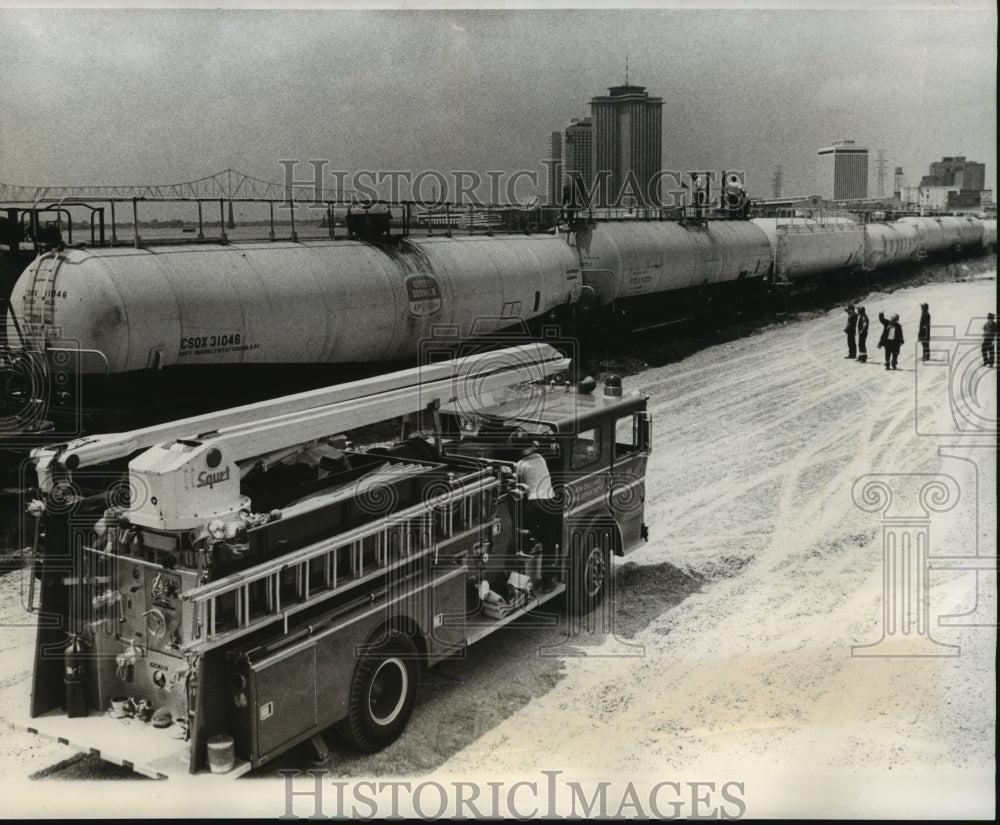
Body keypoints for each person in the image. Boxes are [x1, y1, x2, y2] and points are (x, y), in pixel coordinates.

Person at [513, 437, 559, 589]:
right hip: (550, 501)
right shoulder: (540, 458)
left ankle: (529, 545)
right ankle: (549, 581)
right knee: (550, 543)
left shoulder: (520, 465)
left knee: (525, 530)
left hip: (534, 503)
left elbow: (519, 487)